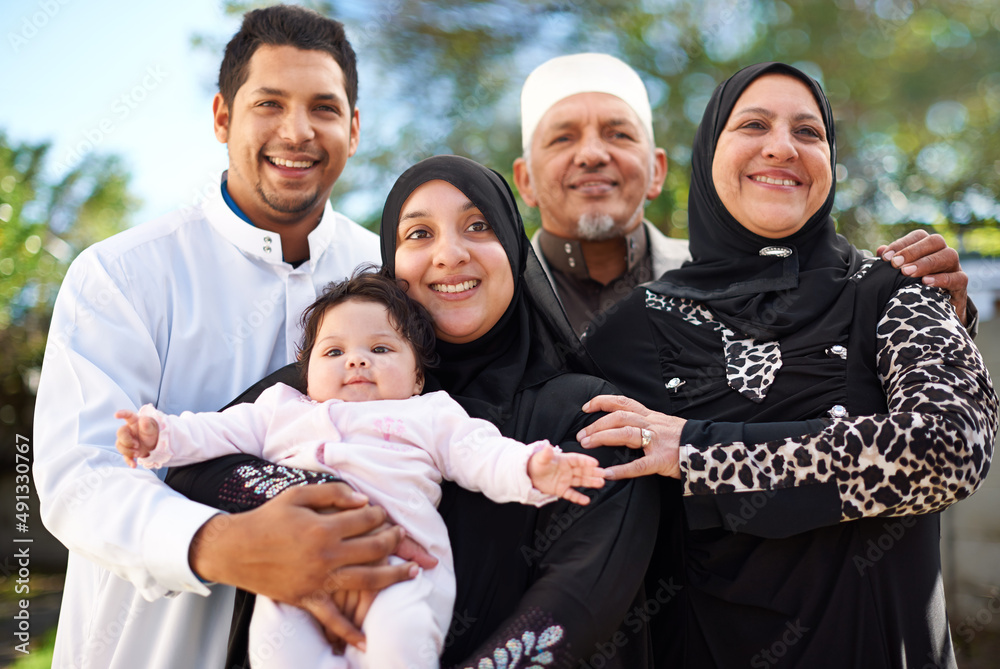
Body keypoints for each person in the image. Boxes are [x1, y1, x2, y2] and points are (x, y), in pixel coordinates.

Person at [32, 7, 420, 668]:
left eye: (323, 108)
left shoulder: (390, 276)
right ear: (222, 118)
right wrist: (222, 543)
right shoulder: (121, 275)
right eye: (269, 103)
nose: (297, 132)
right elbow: (81, 475)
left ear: (353, 130)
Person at [579, 62, 998, 668]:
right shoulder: (625, 335)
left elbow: (951, 447)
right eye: (753, 124)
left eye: (809, 132)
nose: (781, 147)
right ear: (707, 154)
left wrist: (701, 453)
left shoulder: (894, 290)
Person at [167, 155, 660, 668]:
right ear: (391, 262)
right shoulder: (331, 387)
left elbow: (580, 600)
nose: (448, 254)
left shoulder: (590, 414)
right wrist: (329, 510)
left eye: (478, 226)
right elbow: (192, 467)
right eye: (419, 234)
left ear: (514, 248)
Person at [114, 270, 605, 668]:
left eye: (380, 349)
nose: (356, 362)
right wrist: (159, 435)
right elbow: (213, 433)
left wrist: (532, 466)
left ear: (417, 376)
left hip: (399, 574)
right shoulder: (281, 408)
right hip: (296, 573)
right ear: (307, 372)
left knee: (400, 641)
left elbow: (481, 454)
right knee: (279, 649)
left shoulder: (431, 413)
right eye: (334, 352)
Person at [512, 53, 976, 338]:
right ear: (525, 181)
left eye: (617, 134)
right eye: (562, 139)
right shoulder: (489, 299)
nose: (592, 154)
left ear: (657, 172)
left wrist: (943, 318)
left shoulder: (748, 276)